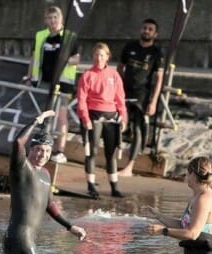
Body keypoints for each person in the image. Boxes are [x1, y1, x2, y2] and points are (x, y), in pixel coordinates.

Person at [4, 110, 87, 254]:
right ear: (31, 149)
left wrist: (70, 227)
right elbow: (18, 143)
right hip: (18, 237)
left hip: (26, 238)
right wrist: (37, 120)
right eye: (39, 149)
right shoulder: (21, 167)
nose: (43, 155)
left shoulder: (46, 174)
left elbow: (49, 204)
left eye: (47, 151)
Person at [147, 156, 212, 254]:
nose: (186, 177)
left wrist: (163, 231)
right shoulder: (195, 196)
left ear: (193, 174)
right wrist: (158, 215)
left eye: (188, 173)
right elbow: (183, 226)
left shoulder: (204, 199)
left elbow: (192, 234)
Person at [29, 5, 80, 164]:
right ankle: (39, 146)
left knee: (61, 116)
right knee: (42, 115)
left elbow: (76, 59)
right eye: (49, 18)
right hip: (44, 81)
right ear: (45, 20)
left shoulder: (69, 36)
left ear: (61, 19)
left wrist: (64, 60)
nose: (52, 21)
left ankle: (60, 150)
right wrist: (29, 76)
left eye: (55, 18)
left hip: (63, 83)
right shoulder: (41, 35)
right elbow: (34, 57)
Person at [77, 42, 128, 198]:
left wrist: (123, 117)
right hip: (93, 116)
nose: (99, 58)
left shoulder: (114, 75)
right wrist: (85, 118)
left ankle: (114, 187)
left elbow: (120, 98)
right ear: (93, 56)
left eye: (102, 55)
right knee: (91, 152)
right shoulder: (87, 75)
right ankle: (91, 185)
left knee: (111, 153)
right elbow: (81, 100)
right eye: (96, 55)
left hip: (111, 117)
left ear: (107, 57)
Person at [117, 18, 164, 177]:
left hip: (142, 96)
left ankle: (129, 166)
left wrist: (154, 101)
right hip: (124, 92)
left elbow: (159, 78)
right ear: (140, 30)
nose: (146, 31)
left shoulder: (156, 53)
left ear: (155, 34)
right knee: (118, 124)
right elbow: (120, 67)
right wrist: (117, 87)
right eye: (144, 28)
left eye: (150, 29)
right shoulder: (130, 46)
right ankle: (114, 158)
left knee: (138, 129)